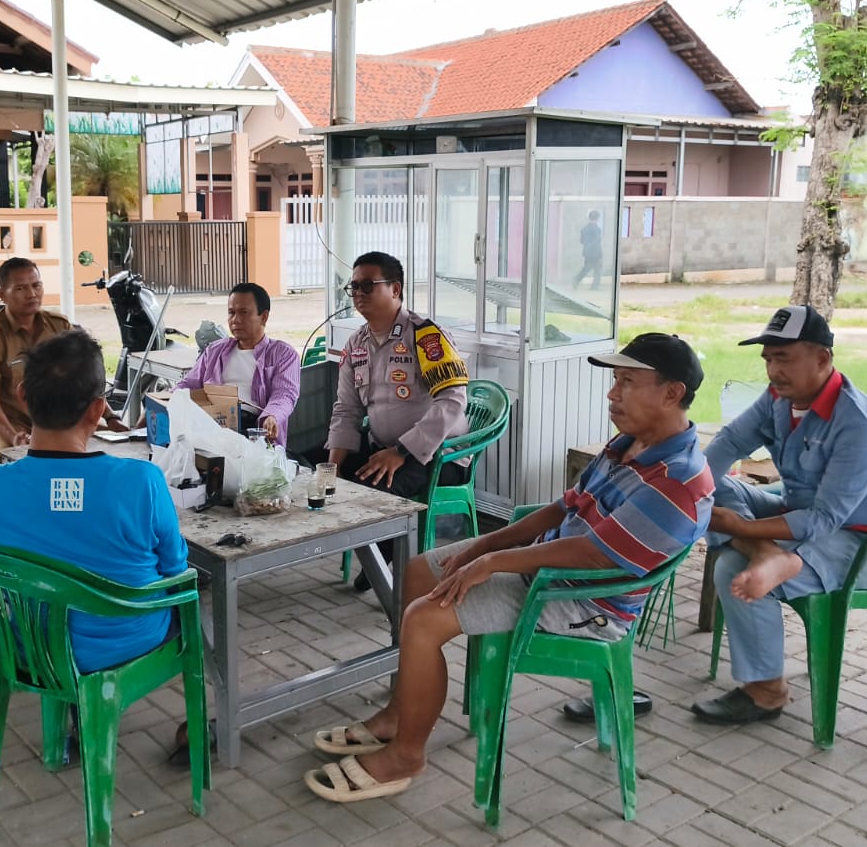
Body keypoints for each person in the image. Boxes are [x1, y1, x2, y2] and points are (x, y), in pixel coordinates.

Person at [303, 332, 713, 803]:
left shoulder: (678, 480)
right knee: (417, 572)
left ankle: (406, 756)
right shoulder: (629, 444)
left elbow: (596, 555)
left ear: (672, 392)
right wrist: (485, 547)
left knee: (424, 619)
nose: (612, 393)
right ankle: (401, 713)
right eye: (615, 380)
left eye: (627, 382)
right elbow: (563, 508)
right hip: (548, 568)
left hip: (585, 601)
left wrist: (495, 561)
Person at [690, 306, 867, 725]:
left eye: (784, 358)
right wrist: (690, 492)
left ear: (822, 359)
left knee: (732, 567)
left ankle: (766, 692)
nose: (773, 371)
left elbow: (823, 519)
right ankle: (767, 554)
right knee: (709, 490)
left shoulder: (862, 424)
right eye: (767, 359)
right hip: (800, 517)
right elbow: (730, 441)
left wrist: (741, 527)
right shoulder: (777, 399)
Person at [0, 329, 186, 674]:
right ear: (98, 409)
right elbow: (174, 567)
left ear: (22, 395)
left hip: (30, 648)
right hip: (133, 642)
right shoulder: (143, 480)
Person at [324, 251, 470, 591]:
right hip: (383, 449)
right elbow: (346, 409)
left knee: (374, 491)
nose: (358, 293)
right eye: (354, 287)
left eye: (368, 285)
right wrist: (332, 467)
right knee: (310, 468)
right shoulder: (356, 344)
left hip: (437, 455)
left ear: (395, 289)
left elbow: (452, 401)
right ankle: (375, 556)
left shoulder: (426, 336)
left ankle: (384, 570)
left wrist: (402, 451)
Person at [0, 257, 74, 463]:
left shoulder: (59, 326)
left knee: (101, 449)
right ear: (1, 295)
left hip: (55, 421)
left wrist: (110, 417)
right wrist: (13, 436)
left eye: (36, 285)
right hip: (6, 423)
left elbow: (82, 378)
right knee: (8, 463)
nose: (32, 294)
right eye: (20, 288)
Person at [175, 282, 300, 444]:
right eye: (231, 312)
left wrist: (272, 416)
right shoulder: (215, 351)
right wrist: (162, 401)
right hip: (212, 423)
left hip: (253, 429)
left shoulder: (283, 354)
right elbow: (187, 385)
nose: (235, 320)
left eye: (244, 312)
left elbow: (284, 394)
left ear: (264, 317)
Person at [574, 209, 604, 291]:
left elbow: (582, 241)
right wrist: (600, 254)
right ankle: (595, 286)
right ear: (597, 218)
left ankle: (576, 280)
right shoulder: (597, 229)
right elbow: (597, 243)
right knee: (597, 270)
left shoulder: (584, 229)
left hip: (587, 252)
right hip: (595, 253)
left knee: (586, 268)